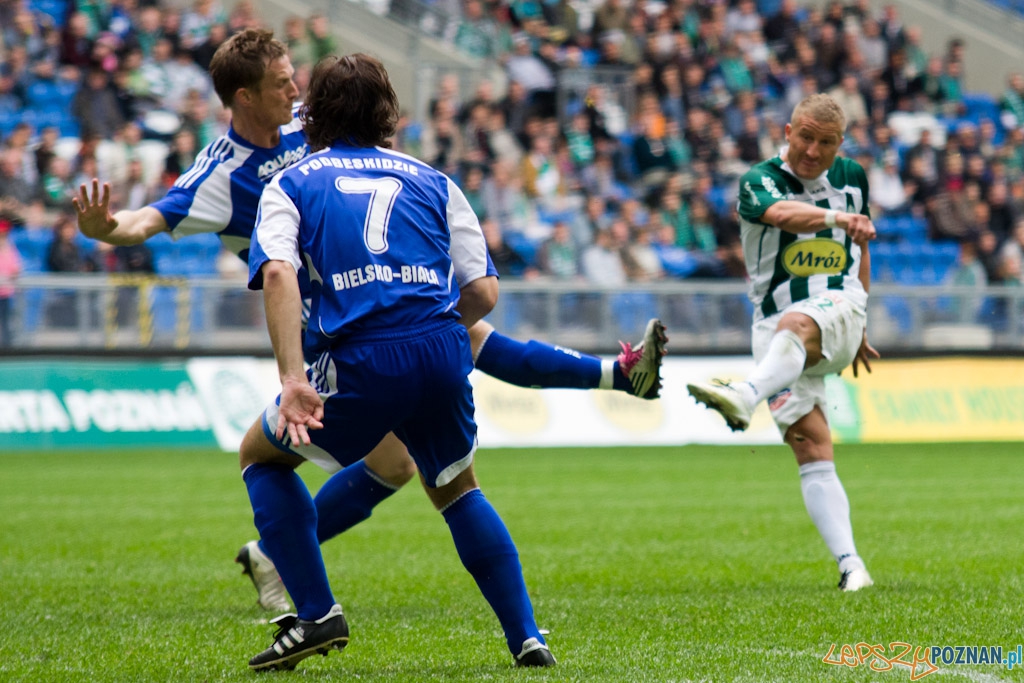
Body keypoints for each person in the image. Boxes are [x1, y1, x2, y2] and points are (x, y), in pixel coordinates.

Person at [73, 28, 667, 614]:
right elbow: (144, 221)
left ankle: (274, 556)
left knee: (399, 456)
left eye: (294, 79)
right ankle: (618, 376)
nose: (295, 92)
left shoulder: (309, 119)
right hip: (327, 319)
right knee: (460, 356)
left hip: (373, 296)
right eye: (281, 85)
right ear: (244, 98)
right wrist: (106, 229)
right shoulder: (221, 178)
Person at [240, 52, 553, 671]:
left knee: (261, 456)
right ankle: (526, 637)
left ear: (315, 113)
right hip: (441, 347)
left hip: (361, 357)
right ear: (388, 113)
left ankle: (317, 614)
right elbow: (485, 292)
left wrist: (294, 378)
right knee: (457, 486)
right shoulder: (434, 179)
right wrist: (428, 336)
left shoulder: (293, 181)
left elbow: (277, 271)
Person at [686, 93, 879, 592]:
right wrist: (838, 220)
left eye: (827, 143)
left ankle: (743, 395)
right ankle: (851, 564)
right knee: (811, 447)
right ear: (788, 131)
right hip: (775, 332)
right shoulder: (758, 181)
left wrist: (861, 324)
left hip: (834, 307)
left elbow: (860, 249)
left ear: (841, 144)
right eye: (807, 137)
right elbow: (784, 216)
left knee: (797, 323)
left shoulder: (853, 177)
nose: (814, 151)